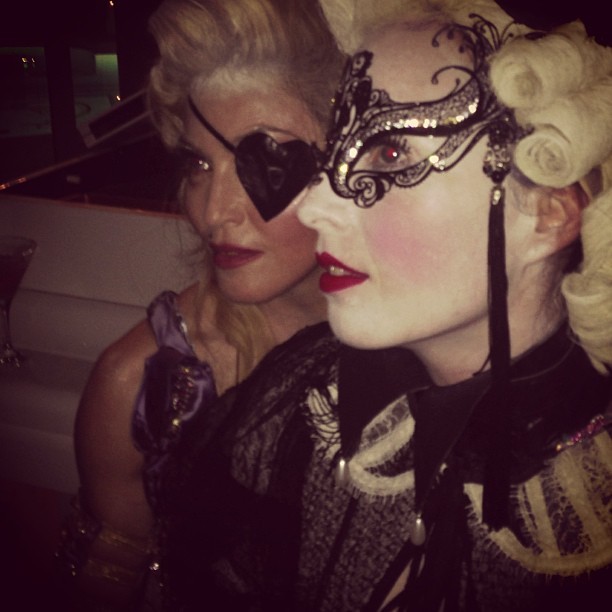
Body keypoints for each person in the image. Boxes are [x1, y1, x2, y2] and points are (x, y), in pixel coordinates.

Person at [162, 0, 612, 610]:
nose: (316, 206)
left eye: (390, 154)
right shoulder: (297, 413)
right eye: (337, 152)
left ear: (551, 212)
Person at [55, 0, 344, 609]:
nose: (213, 212)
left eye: (264, 160)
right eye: (199, 164)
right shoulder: (142, 389)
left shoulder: (433, 349)